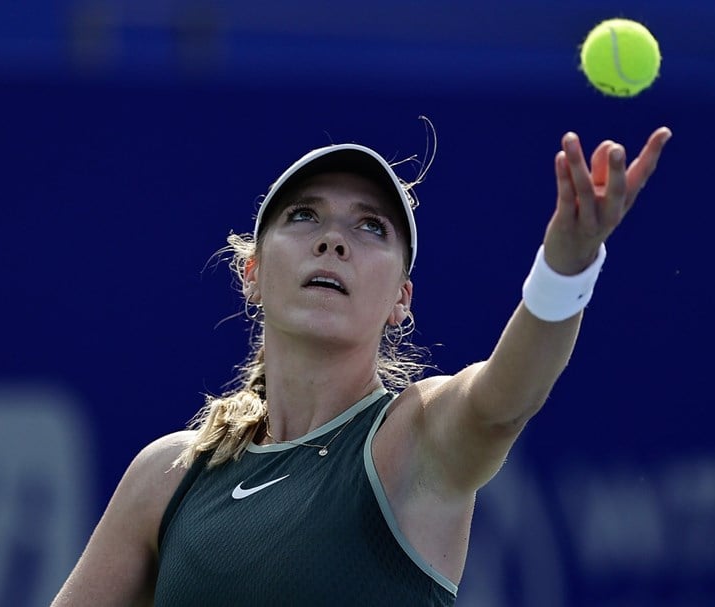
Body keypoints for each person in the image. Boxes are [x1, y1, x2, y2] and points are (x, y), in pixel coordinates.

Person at [51, 126, 673, 606]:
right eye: (304, 216)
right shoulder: (168, 475)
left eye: (370, 226)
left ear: (401, 298)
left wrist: (566, 268)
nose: (334, 239)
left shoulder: (415, 439)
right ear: (254, 274)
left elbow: (504, 399)